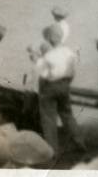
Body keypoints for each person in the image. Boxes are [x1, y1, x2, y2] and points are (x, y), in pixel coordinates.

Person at [29, 23, 81, 154]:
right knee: (67, 115)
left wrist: (34, 57)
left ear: (51, 38)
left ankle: (52, 150)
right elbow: (72, 71)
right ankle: (79, 141)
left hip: (50, 87)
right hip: (65, 85)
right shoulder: (70, 53)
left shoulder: (49, 56)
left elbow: (42, 73)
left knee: (49, 118)